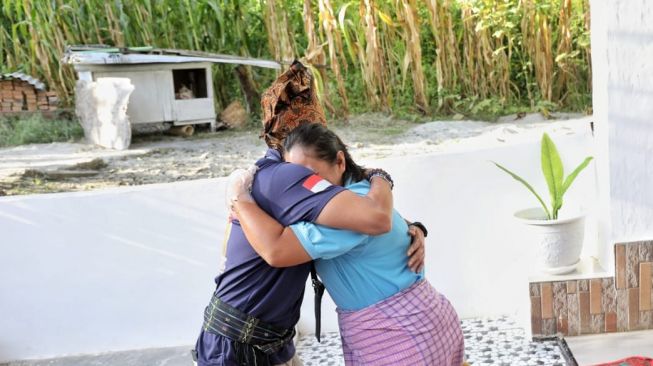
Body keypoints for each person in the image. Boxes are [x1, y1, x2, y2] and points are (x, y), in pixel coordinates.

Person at [194, 61, 426, 366]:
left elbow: (347, 208)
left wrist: (412, 227)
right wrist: (238, 200)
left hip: (265, 339)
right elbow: (372, 217)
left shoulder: (277, 175)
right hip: (239, 344)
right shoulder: (289, 177)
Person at [230, 123, 464, 366]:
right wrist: (409, 217)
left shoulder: (348, 217)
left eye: (310, 177)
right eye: (295, 180)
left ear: (340, 162)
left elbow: (275, 250)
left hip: (401, 336)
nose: (302, 190)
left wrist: (239, 199)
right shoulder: (362, 190)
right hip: (423, 321)